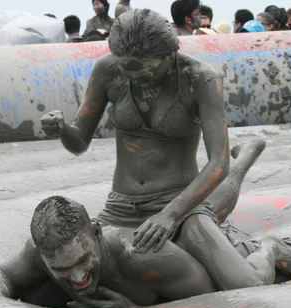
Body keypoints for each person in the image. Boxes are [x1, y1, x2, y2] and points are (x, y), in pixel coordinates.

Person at [0, 125, 291, 308]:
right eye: (61, 269)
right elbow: (1, 278)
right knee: (204, 216)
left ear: (96, 233)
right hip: (187, 226)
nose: (77, 277)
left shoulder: (144, 260)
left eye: (82, 261)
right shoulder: (41, 252)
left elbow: (218, 301)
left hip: (225, 252)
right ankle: (244, 160)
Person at [40, 9, 248, 292]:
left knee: (242, 282)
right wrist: (62, 129)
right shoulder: (107, 70)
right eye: (126, 70)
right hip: (120, 207)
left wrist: (170, 215)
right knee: (60, 283)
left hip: (180, 206)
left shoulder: (200, 79)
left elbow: (219, 163)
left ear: (170, 54)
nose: (136, 78)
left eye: (145, 71)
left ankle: (270, 248)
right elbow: (79, 143)